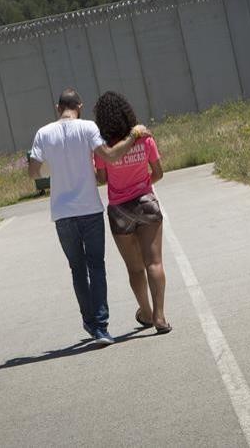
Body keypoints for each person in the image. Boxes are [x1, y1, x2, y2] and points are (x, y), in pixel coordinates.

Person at [28, 88, 149, 346]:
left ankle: (90, 322)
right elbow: (111, 156)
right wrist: (133, 136)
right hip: (90, 209)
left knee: (77, 270)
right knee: (97, 267)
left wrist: (54, 167)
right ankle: (102, 327)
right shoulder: (88, 128)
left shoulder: (43, 133)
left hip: (62, 213)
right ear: (79, 106)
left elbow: (33, 172)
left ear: (57, 107)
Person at [92, 91, 171, 334]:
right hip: (146, 202)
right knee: (154, 262)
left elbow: (102, 180)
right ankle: (160, 317)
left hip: (120, 210)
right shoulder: (145, 139)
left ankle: (145, 312)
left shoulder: (105, 148)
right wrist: (143, 184)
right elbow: (158, 172)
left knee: (135, 268)